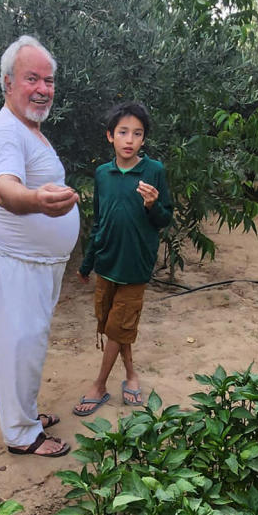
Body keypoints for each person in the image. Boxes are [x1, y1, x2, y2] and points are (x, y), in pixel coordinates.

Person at [0, 35, 80, 457]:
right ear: (7, 82)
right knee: (19, 346)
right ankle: (21, 434)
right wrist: (38, 201)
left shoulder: (27, 129)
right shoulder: (4, 132)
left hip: (33, 262)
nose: (42, 88)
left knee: (30, 342)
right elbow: (6, 190)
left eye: (48, 80)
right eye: (31, 78)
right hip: (14, 262)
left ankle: (27, 413)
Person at [74, 101, 172, 416]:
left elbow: (164, 219)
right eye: (123, 132)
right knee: (111, 324)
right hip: (106, 264)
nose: (129, 140)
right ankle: (131, 375)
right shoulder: (103, 174)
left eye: (137, 134)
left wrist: (152, 205)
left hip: (135, 266)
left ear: (144, 140)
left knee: (118, 327)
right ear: (110, 136)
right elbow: (100, 222)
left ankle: (99, 385)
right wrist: (87, 263)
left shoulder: (154, 171)